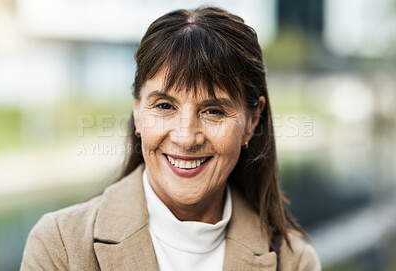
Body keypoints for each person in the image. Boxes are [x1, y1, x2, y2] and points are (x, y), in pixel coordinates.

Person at [20, 7, 321, 271]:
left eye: (214, 111)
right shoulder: (58, 245)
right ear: (137, 112)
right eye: (164, 106)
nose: (186, 137)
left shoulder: (293, 262)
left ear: (252, 122)